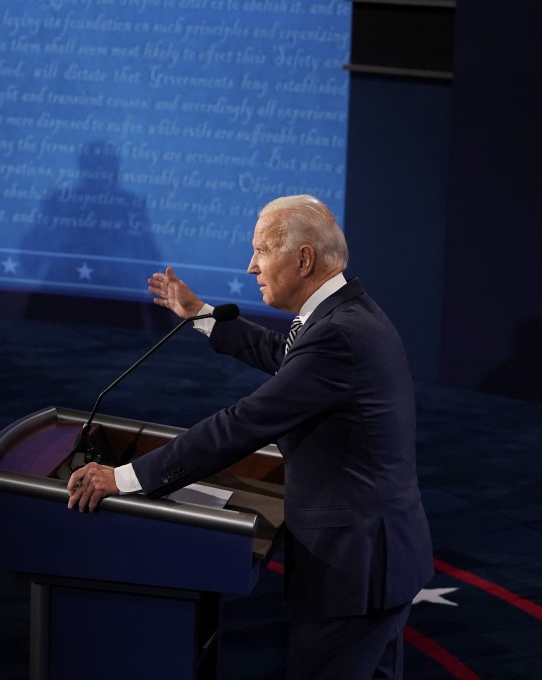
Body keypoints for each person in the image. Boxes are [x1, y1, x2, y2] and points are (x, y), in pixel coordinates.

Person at [67, 195, 433, 679]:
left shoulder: (338, 336)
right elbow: (285, 353)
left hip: (354, 569)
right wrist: (200, 314)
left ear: (303, 259)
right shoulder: (346, 314)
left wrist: (127, 478)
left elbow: (242, 424)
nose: (251, 265)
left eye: (262, 250)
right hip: (378, 558)